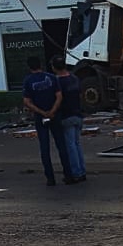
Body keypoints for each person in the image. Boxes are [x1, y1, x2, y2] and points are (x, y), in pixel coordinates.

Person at [22, 56, 76, 186]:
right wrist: (52, 111)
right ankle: (68, 175)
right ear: (41, 64)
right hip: (55, 115)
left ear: (29, 67)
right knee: (61, 145)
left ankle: (50, 178)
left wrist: (41, 112)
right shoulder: (51, 78)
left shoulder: (28, 81)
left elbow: (27, 101)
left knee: (44, 148)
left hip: (40, 117)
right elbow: (59, 96)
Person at [51, 55, 86, 182]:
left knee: (70, 146)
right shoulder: (74, 78)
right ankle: (82, 171)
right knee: (76, 145)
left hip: (66, 116)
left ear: (54, 68)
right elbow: (80, 95)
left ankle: (75, 173)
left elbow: (57, 98)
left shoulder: (57, 81)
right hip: (77, 114)